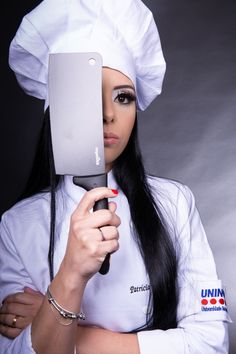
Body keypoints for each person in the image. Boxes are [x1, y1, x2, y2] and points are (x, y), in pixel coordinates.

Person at [0, 0, 231, 353]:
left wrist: (64, 328)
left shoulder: (175, 203)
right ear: (57, 109)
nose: (108, 114)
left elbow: (211, 342)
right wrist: (71, 274)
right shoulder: (16, 227)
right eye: (89, 96)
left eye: (123, 97)